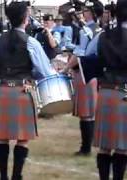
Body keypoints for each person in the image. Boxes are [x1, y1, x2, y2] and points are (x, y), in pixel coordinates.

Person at [0, 2, 57, 179]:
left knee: (2, 137)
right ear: (25, 19)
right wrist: (31, 76)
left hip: (2, 91)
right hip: (21, 92)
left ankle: (3, 176)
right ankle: (16, 176)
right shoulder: (31, 42)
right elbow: (45, 71)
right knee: (22, 138)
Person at [73, 0, 127, 179]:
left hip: (106, 92)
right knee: (122, 146)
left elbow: (87, 55)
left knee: (105, 146)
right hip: (125, 93)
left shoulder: (102, 36)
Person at [63, 0, 104, 156]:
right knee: (91, 111)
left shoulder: (85, 30)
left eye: (86, 10)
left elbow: (79, 54)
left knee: (85, 111)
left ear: (92, 13)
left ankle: (85, 148)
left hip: (83, 71)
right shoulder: (102, 30)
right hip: (96, 73)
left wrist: (66, 68)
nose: (83, 13)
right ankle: (91, 144)